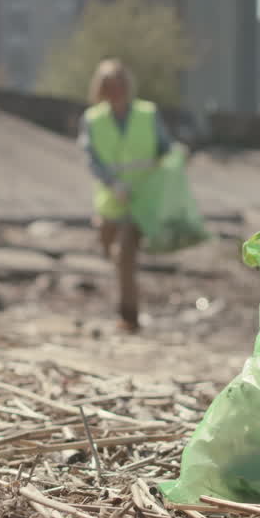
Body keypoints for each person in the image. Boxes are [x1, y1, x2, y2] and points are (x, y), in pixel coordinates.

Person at [78, 58, 175, 332]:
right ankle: (126, 298)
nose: (115, 92)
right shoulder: (92, 119)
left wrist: (174, 160)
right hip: (111, 201)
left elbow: (165, 149)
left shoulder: (147, 114)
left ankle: (129, 316)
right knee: (110, 250)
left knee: (124, 255)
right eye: (109, 87)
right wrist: (113, 185)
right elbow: (92, 159)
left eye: (119, 86)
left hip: (141, 201)